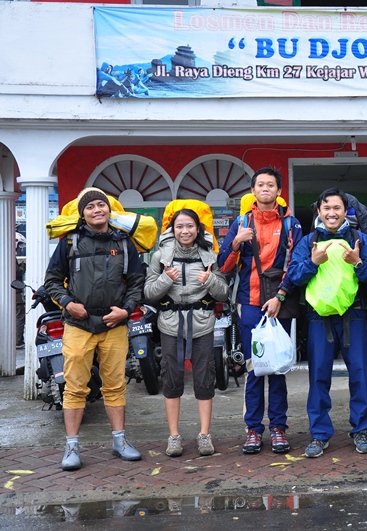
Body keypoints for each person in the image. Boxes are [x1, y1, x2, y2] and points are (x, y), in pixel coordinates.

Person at [44, 187, 145, 471]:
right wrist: (67, 302)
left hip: (114, 323)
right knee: (75, 387)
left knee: (116, 386)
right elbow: (52, 280)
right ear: (83, 213)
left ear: (109, 210)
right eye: (90, 207)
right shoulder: (70, 243)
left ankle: (120, 441)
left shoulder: (125, 243)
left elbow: (137, 281)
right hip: (79, 324)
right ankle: (72, 446)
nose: (97, 210)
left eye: (101, 205)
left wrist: (126, 310)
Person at [287, 187, 367, 458]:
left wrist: (358, 262)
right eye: (326, 208)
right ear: (319, 211)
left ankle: (362, 430)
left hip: (355, 315)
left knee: (360, 375)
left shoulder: (359, 239)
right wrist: (312, 263)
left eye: (337, 208)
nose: (331, 213)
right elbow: (294, 277)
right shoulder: (309, 242)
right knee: (318, 377)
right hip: (319, 318)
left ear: (345, 212)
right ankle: (319, 434)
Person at [218, 167, 302, 455]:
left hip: (280, 302)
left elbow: (296, 264)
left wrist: (280, 295)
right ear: (253, 191)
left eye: (271, 184)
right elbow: (223, 266)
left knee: (278, 367)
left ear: (279, 191)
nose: (265, 188)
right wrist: (236, 242)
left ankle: (278, 428)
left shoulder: (291, 224)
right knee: (255, 367)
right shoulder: (241, 222)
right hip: (250, 303)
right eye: (260, 184)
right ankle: (253, 429)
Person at [144, 208, 229, 457]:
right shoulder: (160, 256)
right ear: (172, 229)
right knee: (171, 379)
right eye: (179, 226)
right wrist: (166, 279)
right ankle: (174, 437)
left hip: (202, 323)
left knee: (204, 378)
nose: (185, 231)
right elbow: (149, 293)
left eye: (190, 226)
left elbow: (223, 292)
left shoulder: (210, 255)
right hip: (170, 325)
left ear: (198, 228)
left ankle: (204, 435)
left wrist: (210, 280)